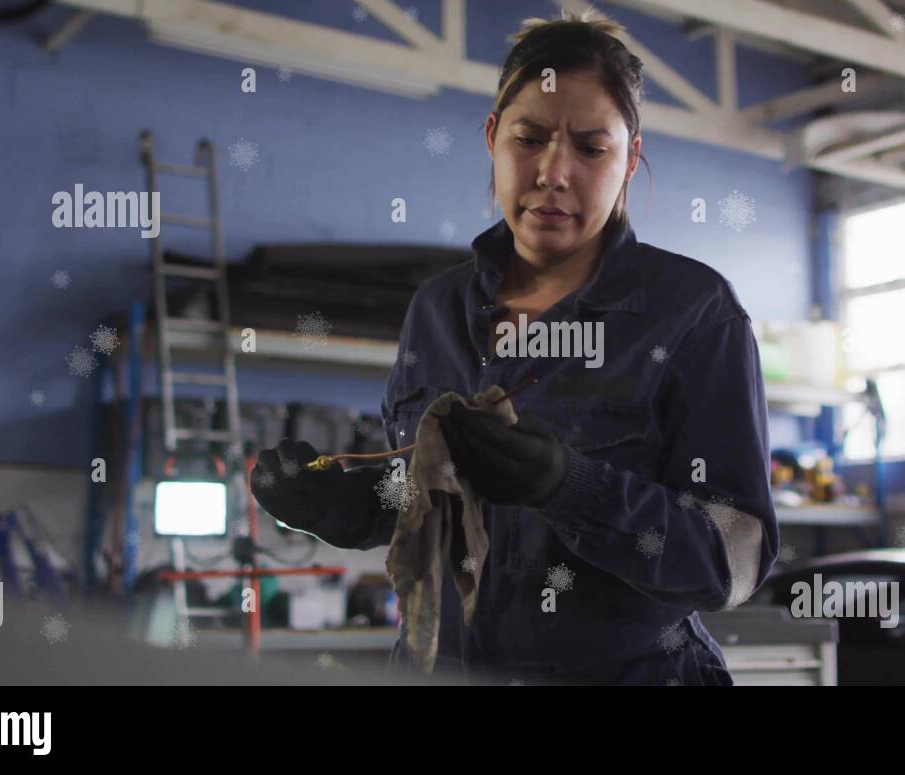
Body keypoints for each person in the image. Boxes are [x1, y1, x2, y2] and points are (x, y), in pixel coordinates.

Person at [252, 6, 778, 686]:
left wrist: (571, 487)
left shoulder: (692, 314)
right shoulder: (436, 309)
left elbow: (732, 560)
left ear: (630, 158)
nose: (553, 173)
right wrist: (339, 505)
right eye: (530, 138)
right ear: (494, 137)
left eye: (591, 148)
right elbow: (419, 495)